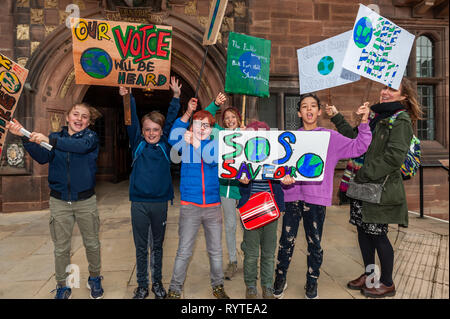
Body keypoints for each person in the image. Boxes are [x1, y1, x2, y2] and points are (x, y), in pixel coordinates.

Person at [325, 78, 421, 298]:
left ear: (404, 96)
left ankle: (387, 283)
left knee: (378, 235)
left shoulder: (401, 120)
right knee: (363, 231)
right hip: (363, 187)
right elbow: (355, 142)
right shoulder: (377, 116)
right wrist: (338, 116)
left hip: (380, 188)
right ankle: (369, 276)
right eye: (384, 87)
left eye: (392, 89)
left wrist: (364, 172)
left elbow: (394, 158)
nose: (385, 92)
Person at [273, 93, 372, 299]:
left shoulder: (330, 137)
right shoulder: (290, 139)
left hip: (316, 199)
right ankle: (280, 277)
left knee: (314, 243)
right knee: (286, 241)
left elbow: (359, 147)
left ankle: (312, 281)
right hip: (292, 197)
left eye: (313, 106)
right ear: (299, 112)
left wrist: (364, 121)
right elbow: (279, 168)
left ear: (319, 111)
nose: (308, 110)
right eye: (304, 107)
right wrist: (283, 178)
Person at [6, 103, 103, 299]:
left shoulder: (90, 138)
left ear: (89, 122)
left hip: (85, 201)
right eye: (75, 114)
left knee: (92, 243)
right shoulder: (56, 138)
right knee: (61, 248)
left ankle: (94, 277)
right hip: (59, 202)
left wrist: (48, 139)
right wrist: (25, 137)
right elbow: (43, 157)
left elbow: (80, 147)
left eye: (84, 116)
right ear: (67, 117)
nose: (79, 119)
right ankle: (62, 285)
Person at [118, 76, 181, 299]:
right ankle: (142, 285)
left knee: (158, 246)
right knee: (141, 247)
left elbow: (172, 120)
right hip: (139, 203)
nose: (151, 133)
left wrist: (175, 97)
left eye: (155, 129)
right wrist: (128, 97)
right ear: (143, 131)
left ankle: (157, 284)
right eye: (148, 129)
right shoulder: (138, 143)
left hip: (160, 203)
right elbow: (132, 120)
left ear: (161, 131)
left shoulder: (164, 144)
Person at [166, 100, 230, 299]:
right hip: (190, 205)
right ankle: (175, 289)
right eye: (197, 124)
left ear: (212, 129)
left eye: (206, 125)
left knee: (216, 250)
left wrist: (197, 143)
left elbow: (213, 160)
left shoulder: (215, 145)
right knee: (184, 250)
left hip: (212, 206)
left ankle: (218, 286)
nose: (202, 128)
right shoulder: (185, 144)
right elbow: (171, 136)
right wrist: (187, 113)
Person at [236, 120, 285, 299]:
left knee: (269, 253)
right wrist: (241, 180)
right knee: (250, 253)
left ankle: (267, 286)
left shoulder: (276, 159)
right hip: (250, 210)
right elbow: (235, 177)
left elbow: (283, 179)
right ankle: (250, 285)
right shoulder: (242, 159)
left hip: (270, 211)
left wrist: (285, 178)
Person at [206, 96, 243, 280]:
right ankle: (233, 261)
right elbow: (204, 119)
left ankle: (250, 258)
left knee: (247, 227)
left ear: (239, 119)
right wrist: (215, 104)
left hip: (244, 189)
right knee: (229, 226)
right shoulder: (219, 134)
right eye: (226, 118)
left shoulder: (248, 133)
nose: (229, 120)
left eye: (233, 117)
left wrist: (249, 134)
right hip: (227, 189)